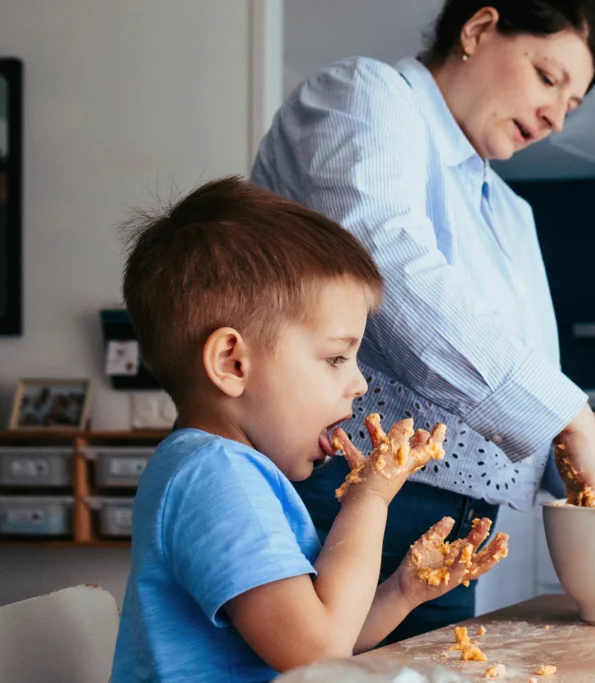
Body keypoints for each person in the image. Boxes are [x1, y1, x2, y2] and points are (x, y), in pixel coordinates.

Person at [251, 0, 595, 640]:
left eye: (571, 106)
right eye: (548, 77)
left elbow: (524, 383)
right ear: (479, 28)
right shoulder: (364, 95)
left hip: (455, 534)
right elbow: (384, 263)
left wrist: (587, 451)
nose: (554, 117)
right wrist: (566, 416)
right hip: (337, 489)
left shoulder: (513, 214)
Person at [110, 177, 508, 682]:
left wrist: (402, 591)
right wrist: (369, 500)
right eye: (336, 357)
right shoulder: (217, 477)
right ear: (232, 363)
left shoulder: (226, 470)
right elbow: (315, 651)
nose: (359, 383)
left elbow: (324, 632)